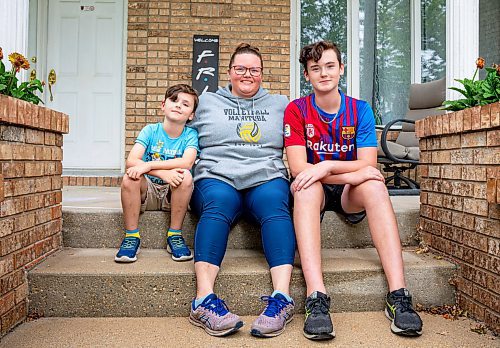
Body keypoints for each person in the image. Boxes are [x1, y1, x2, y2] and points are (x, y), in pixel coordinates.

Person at [284, 41, 423, 340]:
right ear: (307, 75)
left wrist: (325, 167)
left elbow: (370, 166)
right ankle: (316, 297)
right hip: (316, 190)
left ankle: (398, 294)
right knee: (305, 188)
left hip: (349, 191)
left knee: (374, 185)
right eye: (315, 69)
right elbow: (298, 168)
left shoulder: (360, 110)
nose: (323, 73)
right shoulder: (296, 110)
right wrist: (331, 170)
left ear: (341, 68)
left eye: (330, 66)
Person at [188, 43, 296, 338]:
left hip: (266, 177)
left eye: (254, 70)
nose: (247, 74)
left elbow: (301, 137)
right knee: (218, 204)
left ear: (262, 74)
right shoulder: (207, 102)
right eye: (240, 68)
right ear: (229, 72)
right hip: (216, 176)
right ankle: (203, 301)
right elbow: (175, 128)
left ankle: (282, 298)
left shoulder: (280, 104)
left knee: (276, 203)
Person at [115, 84, 199, 263]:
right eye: (174, 100)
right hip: (149, 192)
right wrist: (162, 174)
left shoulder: (190, 135)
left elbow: (187, 162)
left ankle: (174, 235)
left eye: (185, 104)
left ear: (191, 114)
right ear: (163, 105)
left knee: (186, 176)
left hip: (173, 192)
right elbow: (132, 161)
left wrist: (149, 165)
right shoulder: (150, 130)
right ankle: (132, 236)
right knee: (130, 176)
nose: (178, 105)